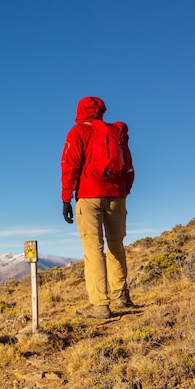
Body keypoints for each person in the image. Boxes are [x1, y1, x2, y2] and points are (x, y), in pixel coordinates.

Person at [60, 96, 135, 319]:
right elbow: (129, 167)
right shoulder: (116, 133)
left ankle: (100, 305)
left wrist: (67, 197)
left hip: (89, 195)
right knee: (116, 247)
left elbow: (69, 164)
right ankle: (121, 296)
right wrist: (122, 192)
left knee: (94, 249)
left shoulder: (78, 131)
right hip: (117, 196)